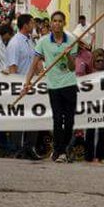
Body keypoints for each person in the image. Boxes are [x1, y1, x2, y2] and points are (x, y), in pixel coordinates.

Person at [24, 11, 78, 163]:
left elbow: (73, 67)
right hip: (53, 86)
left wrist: (67, 55)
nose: (57, 23)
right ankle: (59, 151)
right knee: (56, 119)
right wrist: (27, 82)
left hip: (69, 84)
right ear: (51, 23)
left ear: (64, 23)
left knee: (69, 121)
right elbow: (33, 64)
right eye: (54, 21)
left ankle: (64, 148)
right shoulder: (43, 41)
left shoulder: (71, 40)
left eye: (60, 21)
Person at [7, 14, 41, 160]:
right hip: (20, 84)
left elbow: (35, 61)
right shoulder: (15, 43)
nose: (34, 25)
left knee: (33, 116)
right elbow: (13, 66)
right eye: (32, 23)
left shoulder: (30, 41)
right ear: (25, 25)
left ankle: (29, 147)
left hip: (32, 84)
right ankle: (17, 148)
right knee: (18, 119)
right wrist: (16, 85)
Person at [83, 47, 104, 162]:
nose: (100, 63)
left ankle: (100, 156)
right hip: (91, 104)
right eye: (98, 60)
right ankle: (89, 156)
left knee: (103, 130)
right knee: (90, 130)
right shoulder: (89, 74)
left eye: (102, 60)